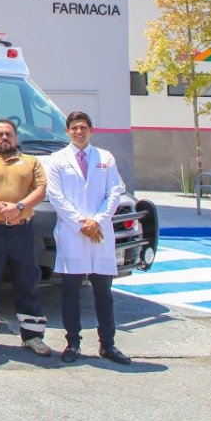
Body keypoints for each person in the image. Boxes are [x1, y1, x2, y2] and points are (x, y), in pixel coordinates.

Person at [45, 111, 130, 365]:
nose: (79, 132)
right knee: (70, 293)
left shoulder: (106, 158)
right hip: (73, 233)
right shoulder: (57, 159)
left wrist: (98, 221)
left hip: (99, 233)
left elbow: (114, 192)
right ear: (67, 131)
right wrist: (82, 224)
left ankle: (108, 345)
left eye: (83, 127)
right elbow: (56, 196)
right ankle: (72, 343)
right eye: (74, 128)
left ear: (91, 130)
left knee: (103, 293)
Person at [0, 119, 51, 356]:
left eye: (9, 134)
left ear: (16, 138)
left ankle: (33, 336)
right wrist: (4, 209)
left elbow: (40, 190)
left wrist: (19, 207)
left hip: (21, 230)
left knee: (27, 280)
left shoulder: (30, 162)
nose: (4, 138)